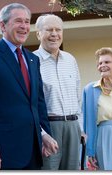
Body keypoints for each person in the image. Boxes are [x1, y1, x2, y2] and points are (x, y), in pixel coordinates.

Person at [0, 3, 58, 170]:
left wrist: (44, 134)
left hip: (33, 150)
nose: (24, 26)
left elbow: (38, 103)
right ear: (3, 25)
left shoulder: (33, 59)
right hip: (1, 152)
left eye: (27, 21)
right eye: (18, 21)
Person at [33, 14, 86, 170]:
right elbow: (31, 105)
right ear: (38, 34)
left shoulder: (70, 59)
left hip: (73, 127)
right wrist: (42, 134)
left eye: (58, 30)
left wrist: (80, 128)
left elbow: (78, 98)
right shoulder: (31, 61)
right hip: (49, 127)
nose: (54, 34)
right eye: (49, 30)